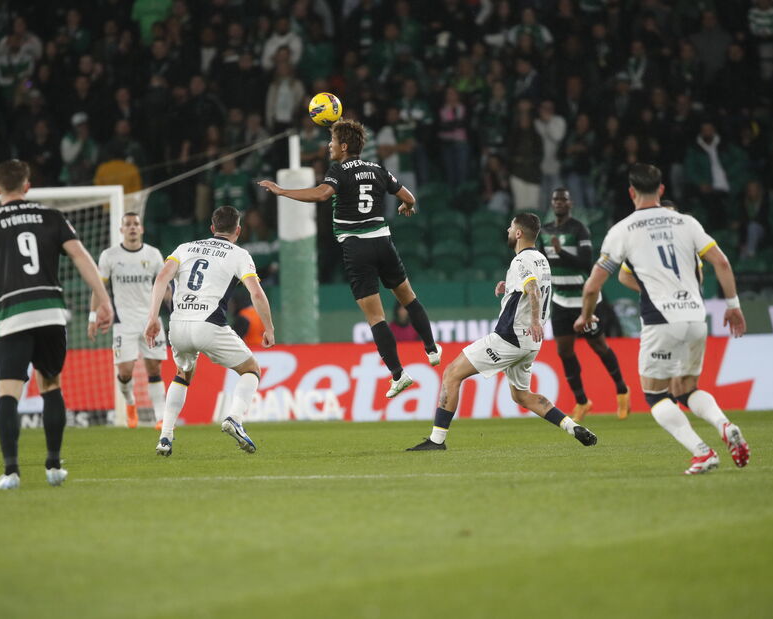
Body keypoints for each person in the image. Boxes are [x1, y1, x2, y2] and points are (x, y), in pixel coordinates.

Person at [576, 164, 749, 475]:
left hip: (660, 320)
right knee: (686, 388)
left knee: (656, 394)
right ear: (662, 189)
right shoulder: (687, 223)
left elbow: (592, 286)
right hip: (696, 317)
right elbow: (721, 262)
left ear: (631, 192)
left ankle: (702, 452)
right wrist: (733, 305)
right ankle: (725, 425)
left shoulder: (623, 230)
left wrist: (586, 317)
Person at [258, 118, 441, 398]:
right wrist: (407, 206)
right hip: (383, 242)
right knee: (408, 297)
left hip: (357, 249)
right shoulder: (378, 169)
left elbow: (322, 194)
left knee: (376, 317)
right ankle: (431, 348)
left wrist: (283, 191)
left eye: (332, 142)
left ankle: (398, 374)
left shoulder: (339, 170)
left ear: (344, 146)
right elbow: (409, 197)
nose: (328, 146)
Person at [0, 159, 113, 490]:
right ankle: (54, 466)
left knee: (8, 394)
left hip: (13, 315)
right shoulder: (51, 216)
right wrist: (103, 299)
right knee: (51, 385)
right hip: (50, 313)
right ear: (28, 186)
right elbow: (81, 257)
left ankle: (11, 472)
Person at [406, 213, 598, 451]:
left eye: (510, 227)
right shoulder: (541, 259)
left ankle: (436, 441)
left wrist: (536, 320)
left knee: (451, 374)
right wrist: (509, 287)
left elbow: (533, 290)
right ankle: (573, 427)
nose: (507, 231)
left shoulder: (520, 261)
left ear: (518, 233)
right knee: (522, 396)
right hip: (530, 343)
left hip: (510, 337)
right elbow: (531, 287)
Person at [144, 206, 275, 456]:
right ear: (238, 230)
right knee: (251, 369)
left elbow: (161, 278)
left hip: (178, 325)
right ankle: (235, 418)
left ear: (212, 228)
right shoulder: (240, 254)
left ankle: (165, 437)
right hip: (209, 324)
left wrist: (152, 318)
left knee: (182, 374)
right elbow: (256, 293)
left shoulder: (184, 248)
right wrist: (268, 327)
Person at [538, 188, 630, 421]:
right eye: (556, 199)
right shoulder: (545, 231)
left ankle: (621, 390)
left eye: (563, 200)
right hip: (560, 301)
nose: (559, 203)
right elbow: (541, 260)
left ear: (570, 204)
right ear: (551, 204)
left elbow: (586, 263)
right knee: (564, 351)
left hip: (584, 302)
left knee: (599, 347)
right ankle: (582, 401)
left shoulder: (579, 229)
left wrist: (560, 252)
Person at [88, 212, 168, 430]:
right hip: (123, 322)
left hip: (150, 319)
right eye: (128, 224)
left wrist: (177, 307)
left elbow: (164, 286)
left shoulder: (153, 255)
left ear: (141, 229)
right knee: (125, 372)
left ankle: (160, 417)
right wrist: (92, 317)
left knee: (154, 369)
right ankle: (131, 404)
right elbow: (99, 287)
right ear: (121, 230)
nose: (132, 227)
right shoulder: (109, 256)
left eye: (136, 224)